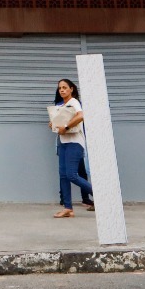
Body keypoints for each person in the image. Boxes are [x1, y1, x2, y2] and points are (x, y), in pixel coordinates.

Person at [50, 79, 93, 218]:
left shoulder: (74, 102)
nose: (62, 90)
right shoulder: (61, 105)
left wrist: (66, 127)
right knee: (63, 175)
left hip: (74, 142)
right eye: (60, 88)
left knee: (72, 175)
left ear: (71, 89)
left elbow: (81, 116)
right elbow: (60, 123)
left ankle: (100, 196)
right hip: (63, 142)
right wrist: (53, 124)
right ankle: (68, 208)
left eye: (64, 87)